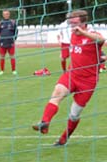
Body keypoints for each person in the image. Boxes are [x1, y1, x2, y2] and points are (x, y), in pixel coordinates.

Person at [32, 10, 105, 146]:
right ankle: (45, 122)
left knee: (74, 114)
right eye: (71, 22)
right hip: (72, 75)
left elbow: (101, 40)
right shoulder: (71, 34)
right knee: (57, 94)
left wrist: (82, 33)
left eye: (75, 22)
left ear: (83, 22)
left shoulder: (92, 34)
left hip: (88, 81)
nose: (72, 25)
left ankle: (64, 138)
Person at [0, 10, 18, 76]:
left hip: (10, 42)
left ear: (9, 14)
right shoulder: (0, 23)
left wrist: (14, 39)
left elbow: (16, 31)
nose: (6, 15)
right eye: (5, 14)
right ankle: (2, 70)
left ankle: (13, 70)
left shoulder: (12, 22)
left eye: (7, 14)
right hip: (3, 42)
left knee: (12, 56)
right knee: (2, 57)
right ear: (3, 15)